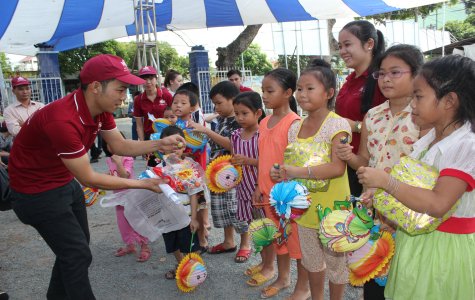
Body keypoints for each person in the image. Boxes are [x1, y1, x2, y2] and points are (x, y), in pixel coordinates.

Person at [8, 54, 185, 300]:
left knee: (74, 251)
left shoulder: (100, 110)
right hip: (34, 193)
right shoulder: (63, 119)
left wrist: (160, 144)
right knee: (77, 254)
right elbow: (89, 177)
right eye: (120, 89)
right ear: (95, 87)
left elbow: (119, 146)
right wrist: (141, 184)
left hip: (62, 182)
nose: (125, 97)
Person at [357, 55, 475, 300]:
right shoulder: (431, 138)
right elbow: (417, 190)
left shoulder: (465, 145)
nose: (412, 105)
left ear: (449, 101)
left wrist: (387, 182)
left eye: (419, 97)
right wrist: (384, 198)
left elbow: (437, 203)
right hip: (417, 244)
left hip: (443, 252)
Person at [336, 44, 425, 299]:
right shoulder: (373, 115)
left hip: (406, 215)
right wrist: (349, 156)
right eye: (382, 73)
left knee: (405, 280)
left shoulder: (425, 116)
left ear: (417, 74)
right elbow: (364, 161)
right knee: (372, 279)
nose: (385, 79)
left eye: (395, 72)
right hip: (371, 213)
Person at [270, 61, 351, 300]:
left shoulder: (338, 125)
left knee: (336, 264)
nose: (302, 94)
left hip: (333, 208)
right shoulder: (296, 127)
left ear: (329, 93)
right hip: (304, 208)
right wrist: (282, 174)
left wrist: (295, 172)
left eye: (310, 88)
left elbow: (337, 167)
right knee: (312, 261)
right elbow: (293, 162)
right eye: (299, 88)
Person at [251, 68, 303, 299]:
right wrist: (257, 187)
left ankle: (303, 284)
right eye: (263, 90)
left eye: (270, 90)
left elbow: (296, 164)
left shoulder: (295, 124)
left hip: (286, 196)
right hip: (266, 191)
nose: (264, 94)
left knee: (296, 242)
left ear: (288, 92)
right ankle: (283, 277)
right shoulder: (264, 122)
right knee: (276, 236)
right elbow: (263, 159)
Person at [189, 81, 251, 263]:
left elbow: (233, 145)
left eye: (218, 102)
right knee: (222, 210)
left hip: (234, 174)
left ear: (233, 100)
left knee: (237, 210)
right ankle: (228, 241)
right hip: (217, 174)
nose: (216, 107)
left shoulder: (239, 122)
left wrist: (207, 132)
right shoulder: (222, 119)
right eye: (214, 103)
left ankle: (245, 244)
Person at [335, 20, 386, 196]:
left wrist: (356, 126)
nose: (342, 51)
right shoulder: (349, 81)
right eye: (339, 46)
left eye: (347, 44)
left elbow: (388, 123)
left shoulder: (382, 81)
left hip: (370, 167)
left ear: (369, 44)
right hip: (344, 161)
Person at [228, 92, 266, 273]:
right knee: (255, 228)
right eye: (236, 114)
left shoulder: (263, 135)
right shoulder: (236, 135)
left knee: (266, 229)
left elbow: (270, 161)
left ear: (258, 113)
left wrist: (248, 161)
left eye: (244, 113)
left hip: (260, 189)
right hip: (244, 189)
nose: (240, 118)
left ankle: (268, 265)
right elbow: (235, 159)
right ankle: (264, 263)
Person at [157, 126, 201, 280]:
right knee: (173, 245)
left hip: (186, 217)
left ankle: (195, 268)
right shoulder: (157, 170)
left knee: (190, 246)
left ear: (184, 146)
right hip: (167, 218)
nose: (174, 150)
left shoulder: (189, 169)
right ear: (161, 148)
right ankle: (182, 266)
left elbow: (194, 194)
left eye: (178, 146)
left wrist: (194, 218)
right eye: (169, 146)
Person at [102, 132, 151, 262]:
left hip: (131, 196)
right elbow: (112, 173)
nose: (113, 145)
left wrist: (118, 162)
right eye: (110, 143)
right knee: (123, 223)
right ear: (107, 146)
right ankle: (130, 245)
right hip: (118, 197)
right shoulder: (109, 159)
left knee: (136, 221)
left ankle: (145, 246)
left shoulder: (127, 158)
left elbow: (124, 176)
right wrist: (104, 177)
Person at [170, 90, 209, 251]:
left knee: (199, 207)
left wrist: (184, 152)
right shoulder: (171, 126)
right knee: (185, 207)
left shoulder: (195, 128)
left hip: (195, 175)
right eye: (175, 102)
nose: (178, 105)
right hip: (178, 176)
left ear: (192, 108)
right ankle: (191, 240)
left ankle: (202, 239)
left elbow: (198, 150)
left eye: (183, 103)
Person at [134, 66, 173, 142]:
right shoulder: (138, 99)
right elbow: (139, 125)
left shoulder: (166, 95)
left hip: (167, 136)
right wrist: (142, 143)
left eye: (151, 78)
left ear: (156, 79)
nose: (148, 82)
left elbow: (176, 116)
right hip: (149, 138)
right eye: (144, 79)